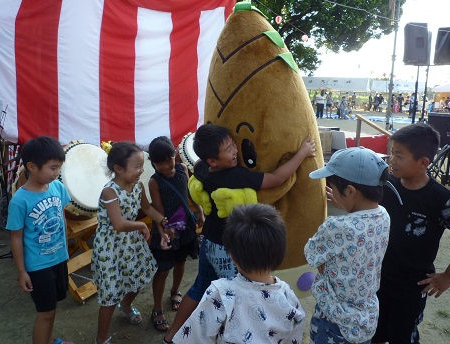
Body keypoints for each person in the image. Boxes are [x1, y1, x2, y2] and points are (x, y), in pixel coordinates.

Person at [163, 123, 316, 344]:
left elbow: (195, 160)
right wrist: (302, 153)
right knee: (234, 296)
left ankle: (171, 337)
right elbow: (276, 178)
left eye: (233, 145)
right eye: (228, 150)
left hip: (208, 241)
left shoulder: (202, 169)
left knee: (199, 287)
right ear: (213, 160)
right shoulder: (235, 176)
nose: (235, 151)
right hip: (228, 246)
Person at [372, 123, 450, 344]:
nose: (391, 159)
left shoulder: (440, 199)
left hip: (412, 287)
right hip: (377, 279)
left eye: (399, 155)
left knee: (402, 336)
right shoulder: (387, 184)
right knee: (374, 332)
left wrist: (449, 276)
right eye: (392, 152)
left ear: (423, 163)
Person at [173, 204, 306, 343]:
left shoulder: (220, 293)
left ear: (233, 257)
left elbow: (195, 337)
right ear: (280, 253)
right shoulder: (288, 294)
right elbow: (295, 335)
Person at [305, 147, 391, 344]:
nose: (331, 192)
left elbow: (310, 254)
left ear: (351, 191)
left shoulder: (337, 226)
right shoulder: (384, 216)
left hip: (335, 321)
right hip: (364, 319)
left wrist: (325, 264)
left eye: (332, 187)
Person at [91, 142, 170, 344]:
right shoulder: (110, 192)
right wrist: (142, 227)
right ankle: (101, 339)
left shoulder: (138, 185)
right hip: (111, 247)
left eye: (142, 166)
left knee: (141, 275)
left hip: (131, 242)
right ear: (118, 168)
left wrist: (162, 220)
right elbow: (118, 224)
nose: (141, 171)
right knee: (110, 295)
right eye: (137, 166)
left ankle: (125, 305)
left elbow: (147, 207)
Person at [7, 136, 74, 344]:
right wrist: (21, 272)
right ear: (32, 167)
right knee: (44, 313)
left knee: (51, 309)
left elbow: (61, 216)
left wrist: (65, 247)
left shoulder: (57, 188)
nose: (57, 173)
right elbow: (16, 237)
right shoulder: (20, 200)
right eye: (53, 168)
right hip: (38, 266)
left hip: (58, 258)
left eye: (59, 168)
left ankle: (50, 340)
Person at [147, 136, 205, 332]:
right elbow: (158, 209)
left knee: (180, 262)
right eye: (159, 163)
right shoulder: (154, 182)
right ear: (153, 163)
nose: (164, 166)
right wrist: (164, 232)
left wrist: (199, 210)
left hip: (184, 226)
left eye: (168, 160)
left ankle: (175, 291)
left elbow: (190, 192)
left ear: (175, 155)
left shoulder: (182, 169)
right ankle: (156, 308)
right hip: (165, 229)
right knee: (163, 269)